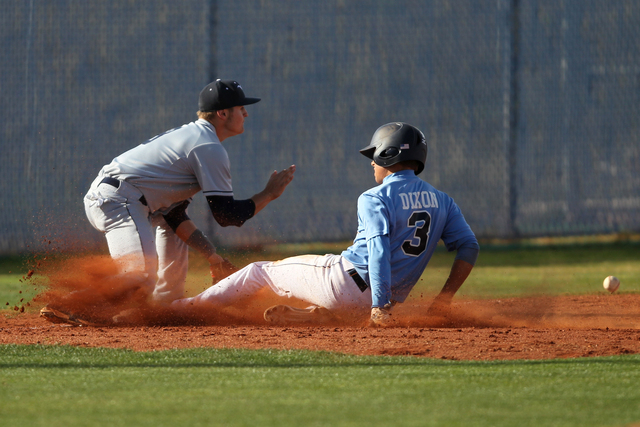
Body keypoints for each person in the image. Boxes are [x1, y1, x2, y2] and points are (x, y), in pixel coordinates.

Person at [41, 79, 295, 326]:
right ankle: (71, 304)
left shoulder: (196, 137)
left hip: (121, 198)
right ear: (222, 113)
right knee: (139, 277)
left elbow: (175, 216)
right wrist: (269, 194)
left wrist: (212, 256)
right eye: (241, 109)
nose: (246, 115)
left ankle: (164, 306)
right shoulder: (207, 146)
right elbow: (227, 215)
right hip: (121, 200)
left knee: (169, 231)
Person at [175, 122, 479, 327]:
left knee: (259, 272)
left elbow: (378, 251)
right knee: (294, 283)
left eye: (374, 155)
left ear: (388, 154)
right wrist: (443, 300)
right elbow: (469, 246)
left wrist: (380, 304)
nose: (372, 162)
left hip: (346, 283)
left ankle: (184, 310)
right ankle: (315, 316)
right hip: (370, 303)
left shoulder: (375, 197)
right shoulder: (443, 201)